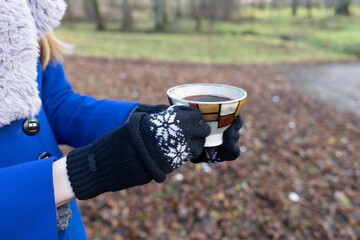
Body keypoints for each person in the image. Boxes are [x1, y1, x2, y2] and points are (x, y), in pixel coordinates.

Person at [0, 0, 243, 239]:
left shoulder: (26, 7)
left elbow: (55, 104)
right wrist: (91, 169)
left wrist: (149, 122)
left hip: (64, 229)